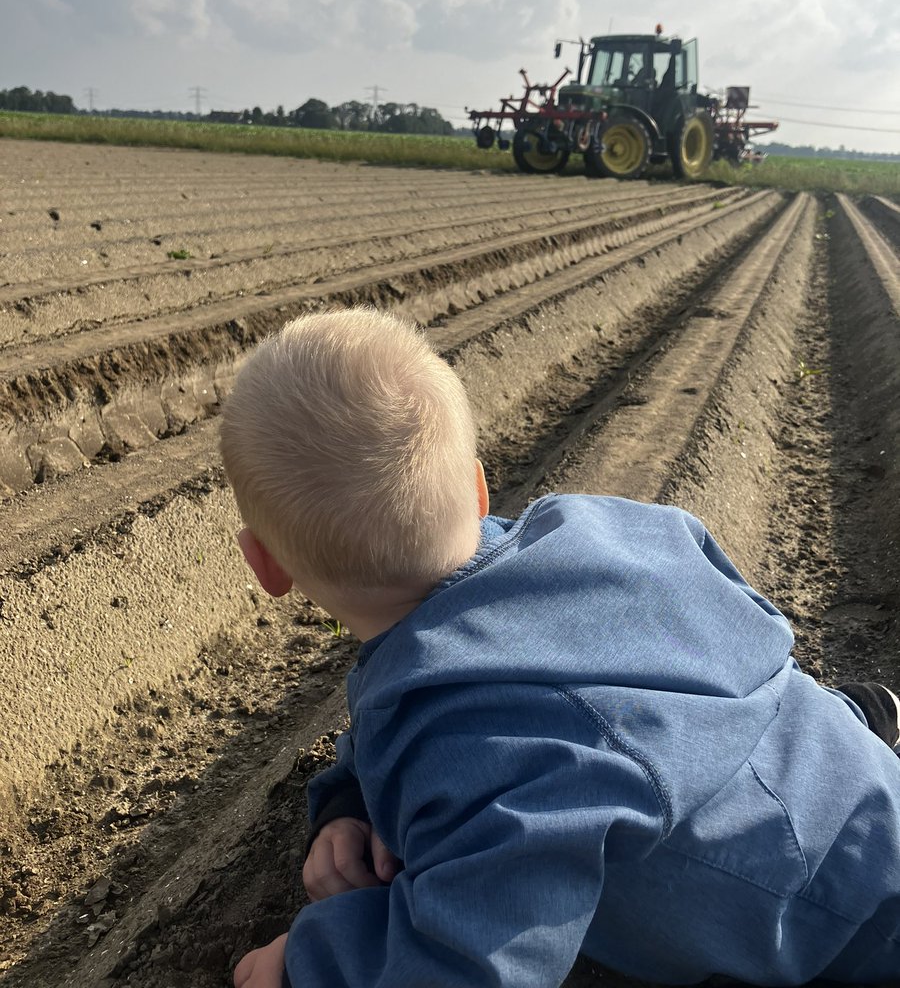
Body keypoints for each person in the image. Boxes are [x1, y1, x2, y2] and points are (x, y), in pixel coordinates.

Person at [221, 308, 900, 988]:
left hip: (853, 924)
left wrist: (313, 965)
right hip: (839, 781)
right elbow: (737, 627)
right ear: (481, 490)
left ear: (265, 567)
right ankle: (849, 721)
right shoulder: (599, 533)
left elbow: (474, 961)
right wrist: (353, 805)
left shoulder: (492, 750)